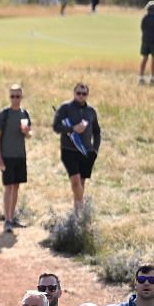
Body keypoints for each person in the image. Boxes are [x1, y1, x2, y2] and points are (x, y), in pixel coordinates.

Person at [52, 81, 100, 213]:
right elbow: (56, 126)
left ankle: (77, 215)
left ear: (87, 95)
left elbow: (97, 132)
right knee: (75, 182)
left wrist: (95, 150)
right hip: (69, 151)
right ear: (74, 93)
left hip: (86, 152)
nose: (81, 95)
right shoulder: (65, 108)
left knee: (81, 183)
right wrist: (73, 128)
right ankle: (82, 210)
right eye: (78, 93)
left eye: (84, 93)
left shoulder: (91, 112)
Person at [0, 84, 32, 229]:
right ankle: (7, 220)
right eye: (12, 96)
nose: (15, 99)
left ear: (22, 97)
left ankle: (12, 216)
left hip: (20, 156)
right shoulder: (3, 115)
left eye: (17, 96)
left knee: (16, 187)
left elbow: (29, 135)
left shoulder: (25, 114)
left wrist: (26, 132)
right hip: (7, 156)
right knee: (8, 187)